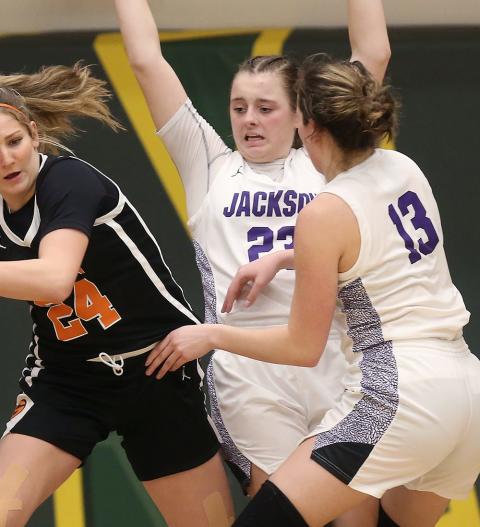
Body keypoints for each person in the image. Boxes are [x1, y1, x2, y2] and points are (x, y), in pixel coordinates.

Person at [0, 63, 233, 527]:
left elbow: (54, 279)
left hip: (156, 366)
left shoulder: (71, 182)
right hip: (68, 382)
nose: (6, 159)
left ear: (34, 134)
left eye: (14, 142)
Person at [146, 53, 480, 527]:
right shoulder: (404, 168)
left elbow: (303, 346)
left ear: (310, 126)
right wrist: (285, 256)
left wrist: (212, 335)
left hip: (400, 391)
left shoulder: (324, 210)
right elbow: (373, 246)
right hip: (465, 391)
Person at [114, 0, 389, 514]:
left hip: (338, 357)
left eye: (265, 108)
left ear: (302, 114)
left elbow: (373, 52)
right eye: (239, 107)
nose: (249, 120)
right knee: (279, 512)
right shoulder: (210, 165)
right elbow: (147, 61)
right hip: (249, 368)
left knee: (355, 519)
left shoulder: (330, 160)